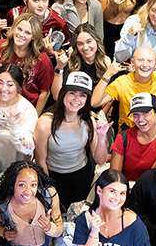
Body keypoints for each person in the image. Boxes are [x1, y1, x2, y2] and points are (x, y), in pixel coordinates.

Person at [33, 71, 108, 209]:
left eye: (82, 95)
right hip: (54, 176)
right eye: (72, 92)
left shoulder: (88, 121)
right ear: (63, 94)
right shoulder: (45, 123)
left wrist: (102, 137)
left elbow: (100, 160)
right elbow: (40, 161)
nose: (76, 99)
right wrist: (50, 188)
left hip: (82, 176)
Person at [0, 13, 55, 113]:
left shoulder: (42, 59)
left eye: (27, 33)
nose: (21, 34)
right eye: (19, 29)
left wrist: (35, 117)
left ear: (34, 36)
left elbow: (45, 92)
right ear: (13, 28)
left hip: (25, 110)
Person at [93, 47, 156, 131]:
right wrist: (107, 75)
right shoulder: (122, 82)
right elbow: (95, 103)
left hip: (154, 132)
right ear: (132, 62)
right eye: (140, 60)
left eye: (149, 61)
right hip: (128, 134)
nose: (145, 65)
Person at [50, 22, 111, 99]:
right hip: (72, 105)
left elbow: (108, 96)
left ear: (96, 40)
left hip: (94, 107)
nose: (85, 47)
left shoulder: (106, 62)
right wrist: (59, 68)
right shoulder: (70, 60)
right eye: (80, 43)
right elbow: (56, 96)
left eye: (89, 41)